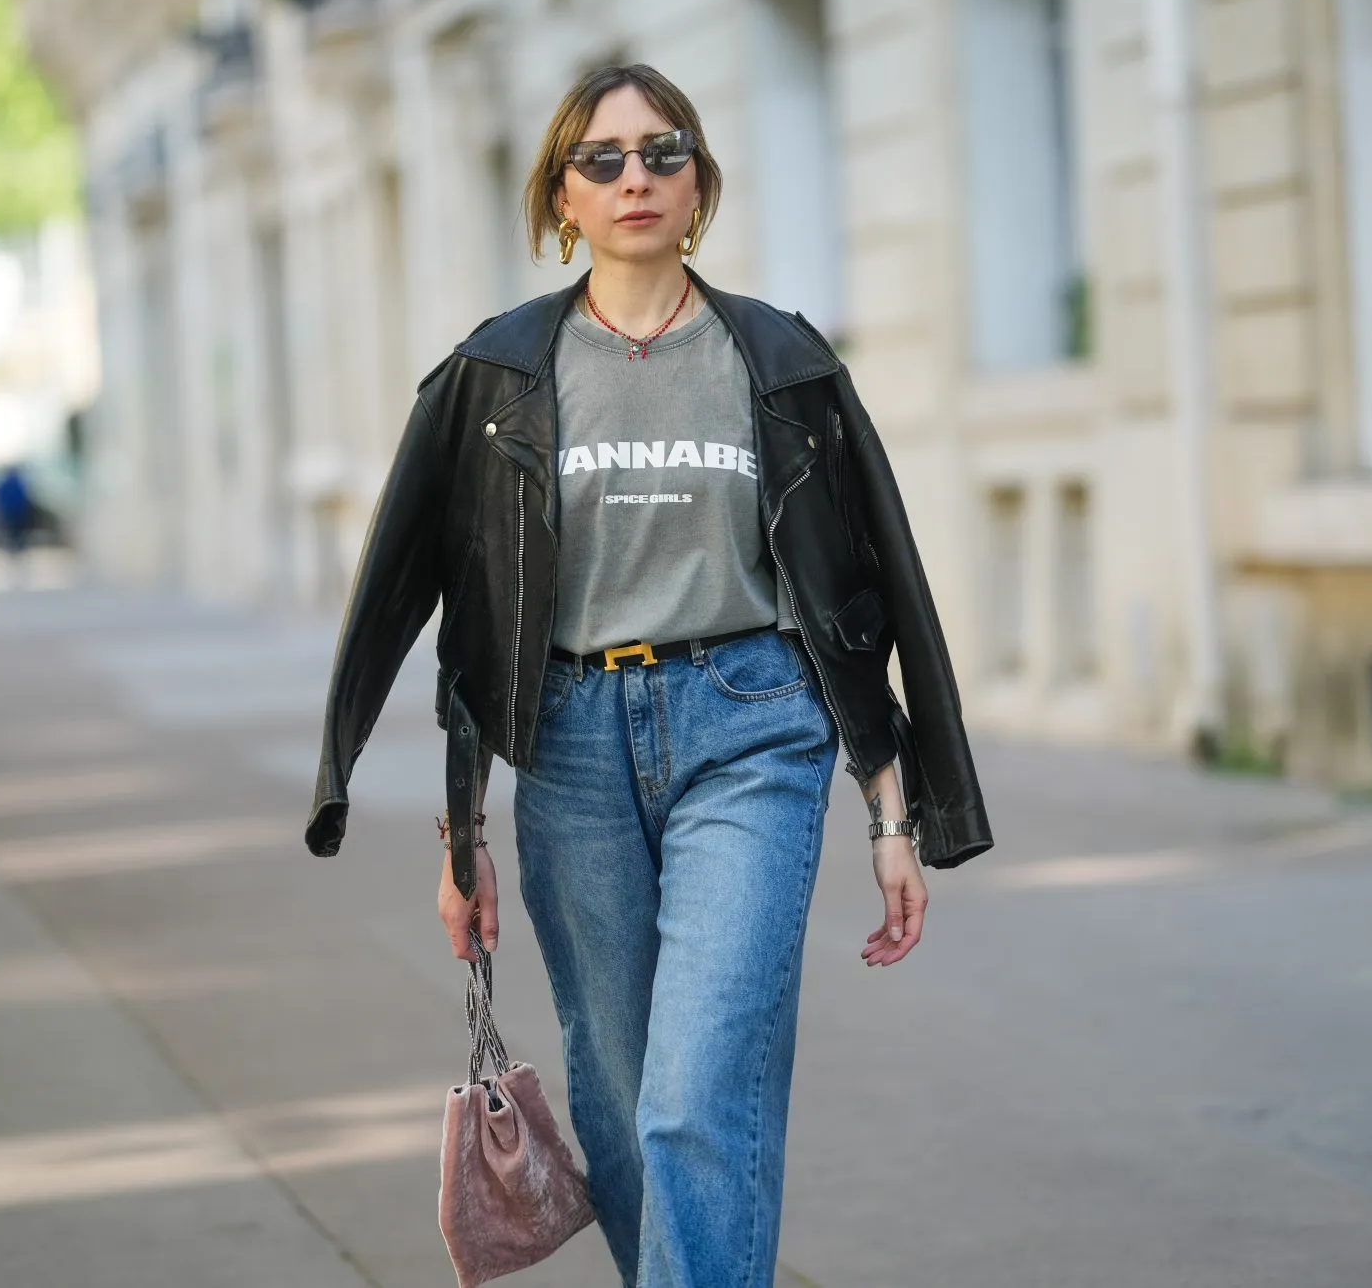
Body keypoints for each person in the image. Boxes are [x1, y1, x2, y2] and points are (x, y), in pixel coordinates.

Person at [307, 64, 993, 1288]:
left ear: (697, 185)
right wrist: (461, 834)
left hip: (750, 726)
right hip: (570, 745)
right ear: (560, 196)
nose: (635, 177)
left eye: (663, 152)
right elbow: (455, 615)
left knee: (692, 1096)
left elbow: (865, 592)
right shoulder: (496, 377)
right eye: (602, 158)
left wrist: (894, 810)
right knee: (622, 1109)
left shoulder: (778, 360)